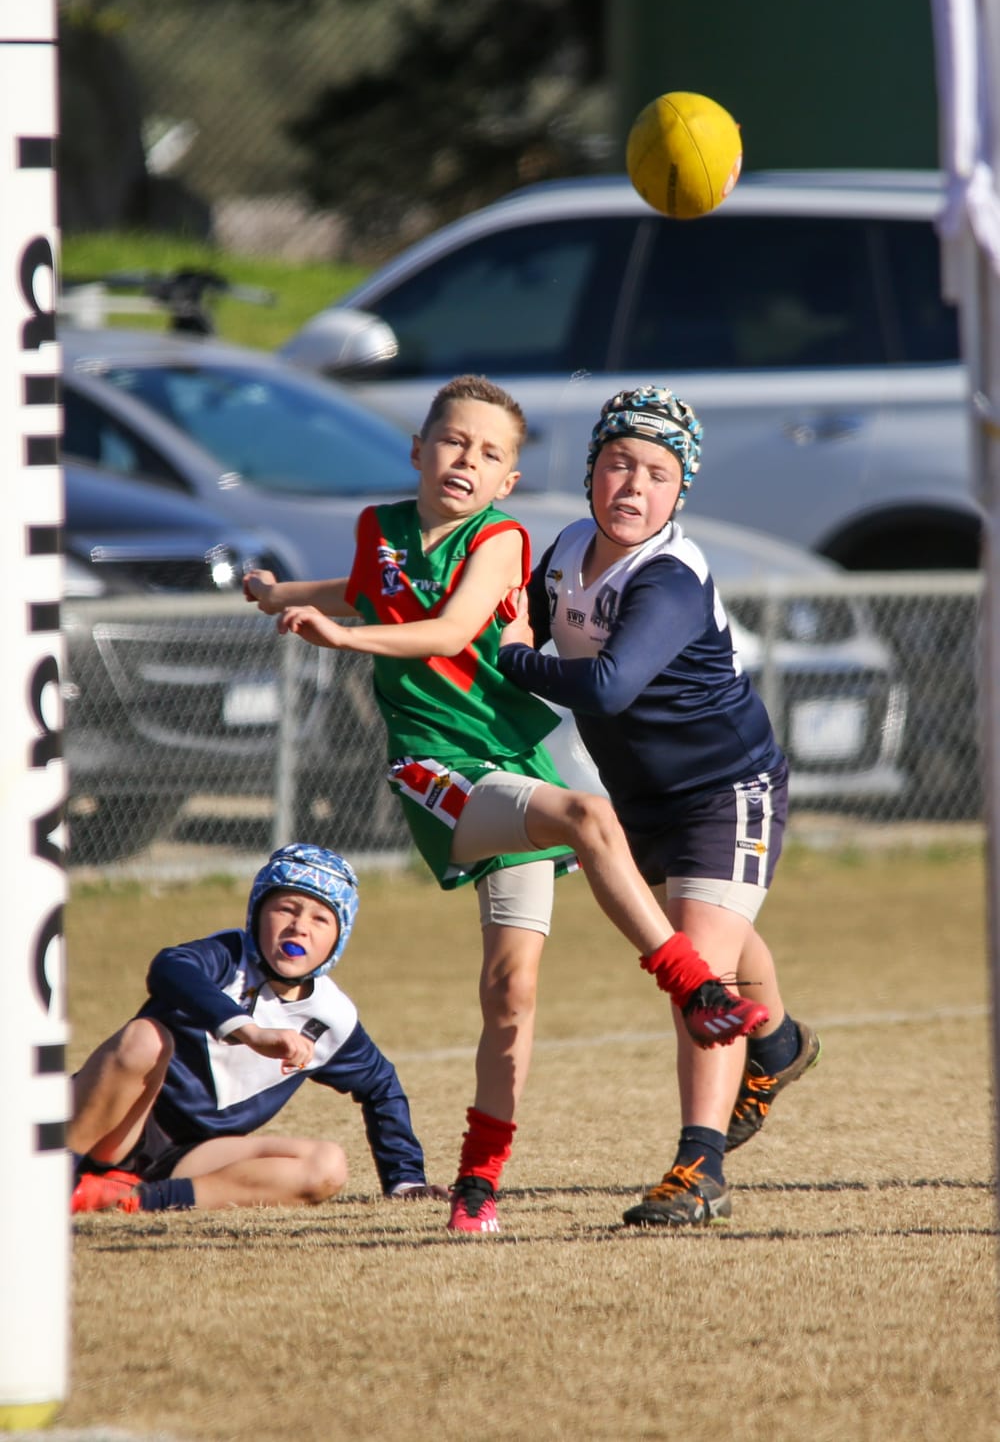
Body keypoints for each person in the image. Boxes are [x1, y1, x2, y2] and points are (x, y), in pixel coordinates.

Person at [243, 374, 767, 1237]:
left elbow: (449, 631)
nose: (467, 460)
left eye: (490, 454)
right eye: (453, 442)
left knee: (510, 993)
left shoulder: (503, 540)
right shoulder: (382, 531)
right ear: (417, 450)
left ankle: (477, 1190)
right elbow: (372, 593)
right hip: (435, 768)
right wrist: (286, 598)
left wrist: (343, 640)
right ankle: (694, 985)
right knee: (591, 818)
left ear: (508, 482)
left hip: (509, 764)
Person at [496, 385, 821, 1229]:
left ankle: (698, 1170)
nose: (633, 488)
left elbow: (608, 686)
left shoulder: (670, 574)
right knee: (707, 928)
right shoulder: (566, 549)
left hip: (726, 789)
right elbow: (504, 627)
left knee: (697, 972)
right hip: (640, 802)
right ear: (590, 473)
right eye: (618, 465)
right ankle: (779, 1046)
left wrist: (515, 660)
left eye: (656, 474)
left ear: (682, 493)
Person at [69, 843, 449, 1214]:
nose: (299, 928)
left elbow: (382, 1087)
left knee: (327, 1165)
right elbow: (169, 968)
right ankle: (53, 1176)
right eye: (286, 909)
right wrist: (250, 1033)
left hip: (189, 1155)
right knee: (145, 1039)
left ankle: (131, 1197)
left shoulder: (331, 1016)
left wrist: (405, 1179)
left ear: (338, 939)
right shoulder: (226, 958)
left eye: (321, 919)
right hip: (116, 1129)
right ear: (256, 914)